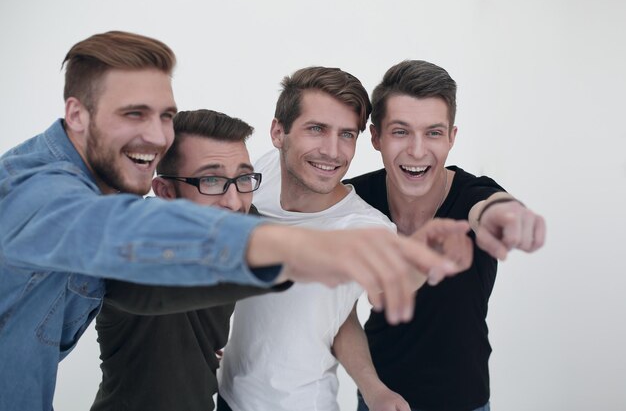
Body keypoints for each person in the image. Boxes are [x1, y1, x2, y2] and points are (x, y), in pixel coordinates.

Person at [0, 31, 463, 411]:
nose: (157, 137)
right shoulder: (36, 193)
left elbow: (145, 287)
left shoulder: (250, 189)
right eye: (132, 114)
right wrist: (307, 251)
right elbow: (126, 234)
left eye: (165, 116)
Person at [217, 66, 473, 411]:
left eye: (346, 135)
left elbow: (383, 289)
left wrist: (375, 390)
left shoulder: (366, 228)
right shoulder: (260, 176)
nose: (332, 151)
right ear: (278, 132)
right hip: (228, 396)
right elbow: (338, 313)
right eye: (317, 129)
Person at [338, 60, 546, 411]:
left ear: (451, 137)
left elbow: (491, 207)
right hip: (378, 401)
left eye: (433, 133)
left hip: (467, 402)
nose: (417, 151)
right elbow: (338, 310)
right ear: (376, 137)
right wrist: (372, 389)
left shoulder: (472, 195)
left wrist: (507, 215)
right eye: (401, 131)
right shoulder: (354, 200)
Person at [91, 109, 290, 411]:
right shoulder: (134, 242)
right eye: (211, 180)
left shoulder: (239, 219)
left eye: (243, 178)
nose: (234, 201)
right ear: (166, 192)